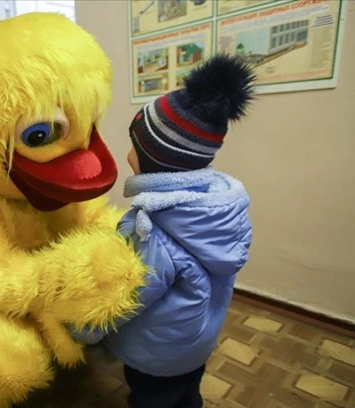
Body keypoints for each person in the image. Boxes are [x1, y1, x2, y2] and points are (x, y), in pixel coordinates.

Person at [69, 55, 255, 408]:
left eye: (135, 149)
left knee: (152, 400)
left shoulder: (154, 230)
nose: (126, 156)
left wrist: (83, 331)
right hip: (196, 345)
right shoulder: (219, 209)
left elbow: (126, 298)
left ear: (159, 163)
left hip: (158, 357)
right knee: (186, 396)